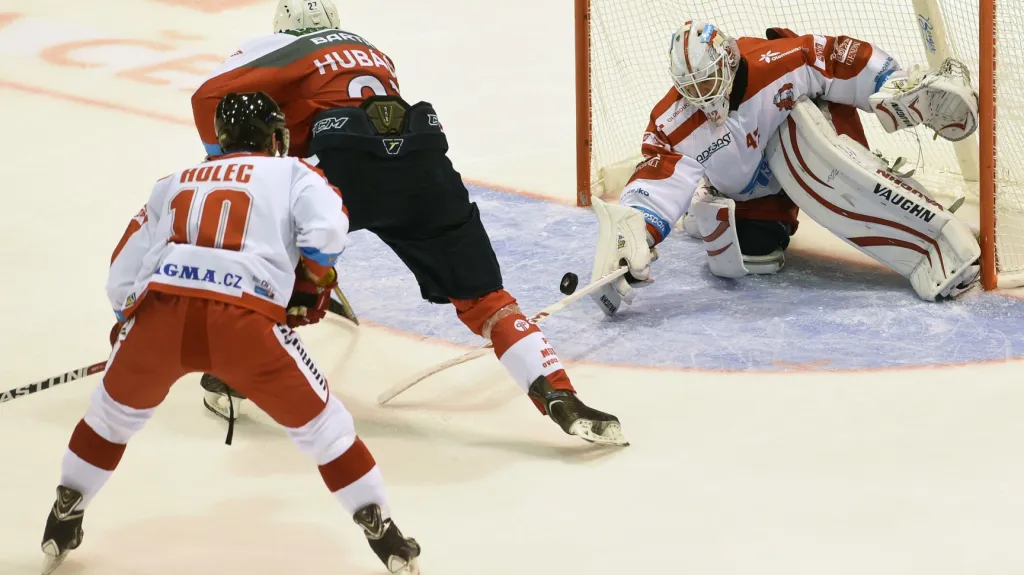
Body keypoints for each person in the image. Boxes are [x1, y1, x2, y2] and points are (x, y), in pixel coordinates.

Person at [189, 0, 627, 446]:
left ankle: (232, 371)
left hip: (342, 171)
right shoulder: (369, 49)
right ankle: (561, 395)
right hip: (422, 166)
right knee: (487, 300)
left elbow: (207, 96)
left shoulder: (281, 47)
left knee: (260, 250)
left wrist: (230, 163)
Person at [39, 93, 421, 575]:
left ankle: (65, 509)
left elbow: (122, 272)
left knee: (109, 420)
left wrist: (127, 323)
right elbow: (325, 234)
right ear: (275, 135)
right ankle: (381, 529)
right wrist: (313, 283)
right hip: (245, 321)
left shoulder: (172, 182)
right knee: (327, 431)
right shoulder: (296, 175)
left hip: (160, 315)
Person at [589, 21, 982, 315]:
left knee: (813, 141)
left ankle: (916, 226)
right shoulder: (672, 122)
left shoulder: (776, 63)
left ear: (728, 61)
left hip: (804, 134)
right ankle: (717, 204)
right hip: (752, 190)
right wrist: (635, 234)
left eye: (709, 81)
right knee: (756, 258)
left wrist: (893, 81)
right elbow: (656, 180)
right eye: (691, 88)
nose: (703, 95)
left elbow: (835, 56)